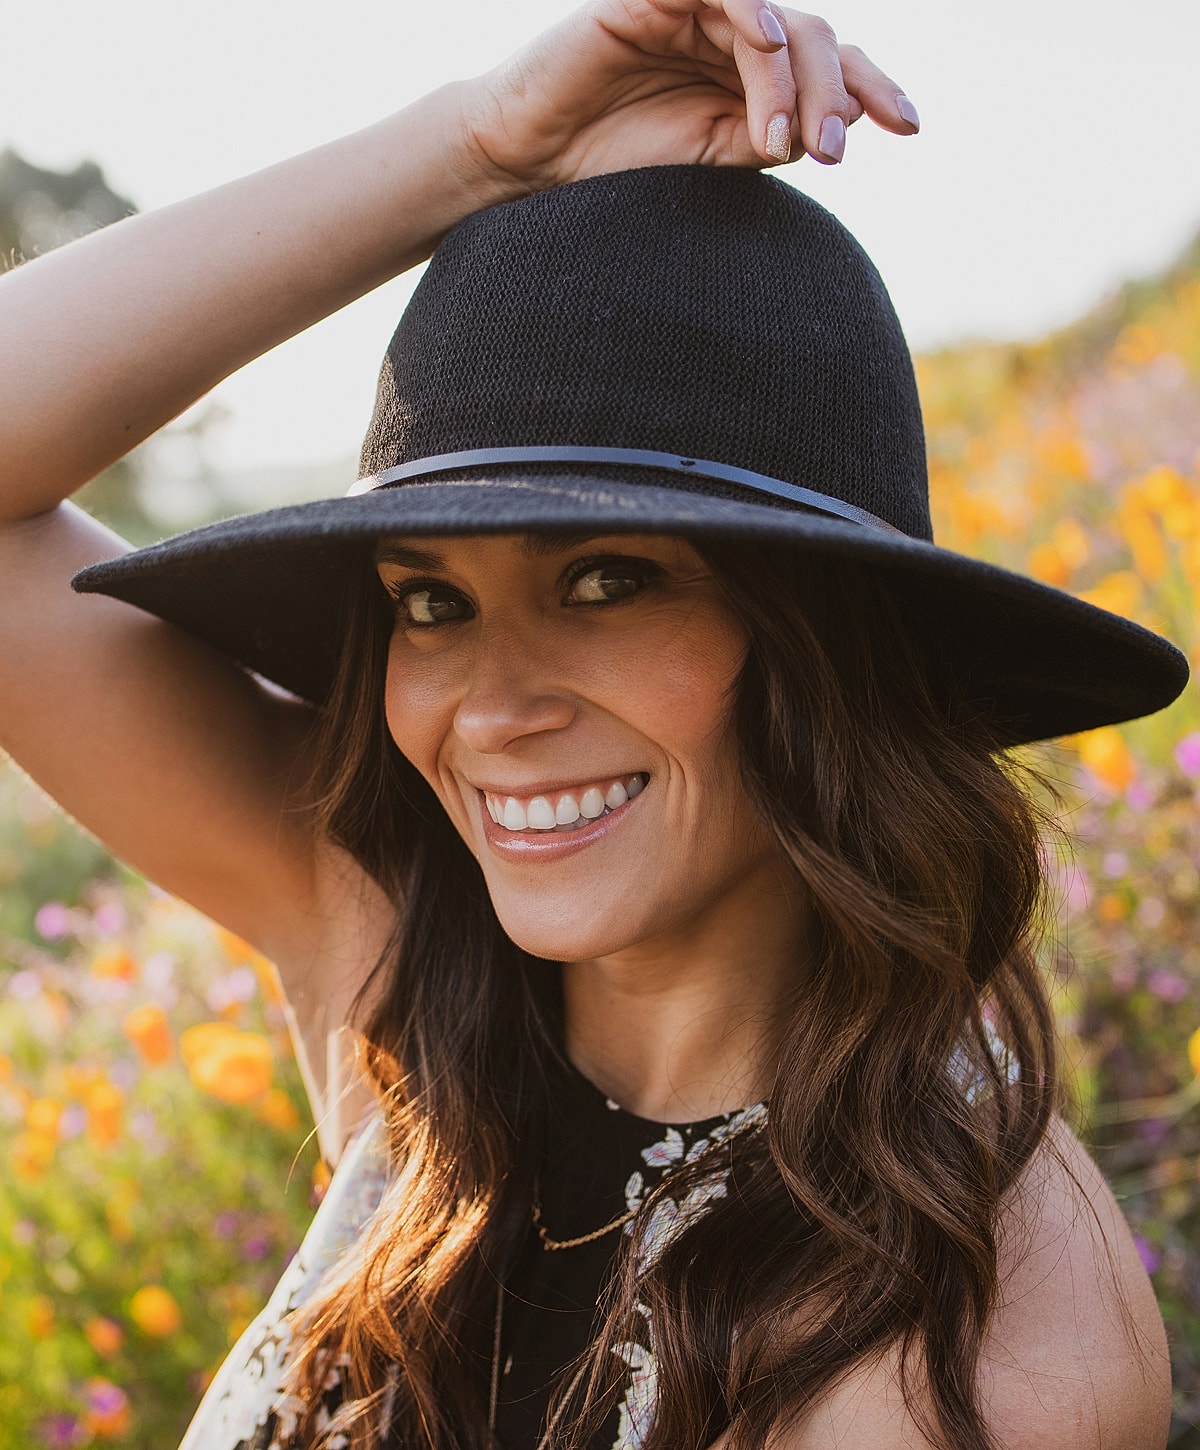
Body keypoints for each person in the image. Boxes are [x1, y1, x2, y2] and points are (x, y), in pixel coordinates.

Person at [0, 3, 1183, 1447]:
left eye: (607, 580)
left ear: (827, 642)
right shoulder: (409, 977)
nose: (492, 707)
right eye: (429, 603)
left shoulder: (963, 1347)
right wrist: (475, 144)